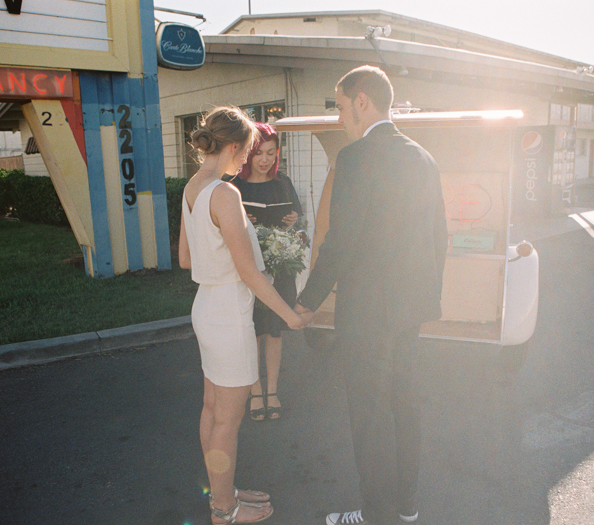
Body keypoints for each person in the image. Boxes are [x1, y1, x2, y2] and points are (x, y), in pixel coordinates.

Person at [295, 66, 448, 525]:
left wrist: (307, 300)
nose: (340, 117)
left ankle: (374, 514)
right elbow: (439, 236)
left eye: (340, 106)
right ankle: (406, 507)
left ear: (362, 101)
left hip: (366, 313)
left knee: (369, 416)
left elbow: (338, 241)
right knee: (405, 408)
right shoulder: (423, 156)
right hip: (409, 310)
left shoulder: (356, 158)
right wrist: (426, 295)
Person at [179, 106, 307, 524]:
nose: (248, 159)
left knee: (212, 408)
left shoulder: (193, 187)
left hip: (206, 306)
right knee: (227, 422)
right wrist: (291, 315)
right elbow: (249, 273)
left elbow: (184, 258)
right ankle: (224, 510)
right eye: (248, 150)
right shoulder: (225, 193)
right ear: (234, 146)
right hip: (230, 314)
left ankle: (223, 493)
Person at [227, 122, 303, 421]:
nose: (265, 160)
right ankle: (255, 392)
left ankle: (273, 391)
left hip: (280, 269)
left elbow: (299, 227)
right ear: (248, 154)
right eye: (259, 153)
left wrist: (293, 222)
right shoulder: (235, 185)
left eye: (271, 153)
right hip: (249, 270)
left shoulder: (283, 182)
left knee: (274, 331)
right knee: (253, 332)